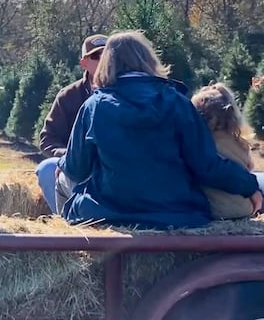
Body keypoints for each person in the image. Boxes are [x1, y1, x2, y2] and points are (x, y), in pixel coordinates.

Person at [56, 30, 263, 229]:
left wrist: (61, 163)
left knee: (60, 178)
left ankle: (64, 244)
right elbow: (207, 165)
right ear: (148, 59)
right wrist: (249, 185)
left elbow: (77, 168)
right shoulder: (177, 102)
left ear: (107, 63)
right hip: (177, 213)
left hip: (109, 211)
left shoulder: (94, 106)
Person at [35, 34, 107, 213]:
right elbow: (47, 139)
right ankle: (65, 225)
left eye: (108, 55)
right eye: (96, 56)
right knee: (46, 169)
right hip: (74, 164)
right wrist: (68, 157)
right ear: (84, 63)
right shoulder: (68, 96)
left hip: (110, 164)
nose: (103, 60)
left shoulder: (123, 94)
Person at [191, 83, 257, 220]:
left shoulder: (198, 143)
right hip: (243, 209)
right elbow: (249, 169)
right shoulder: (241, 144)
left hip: (213, 210)